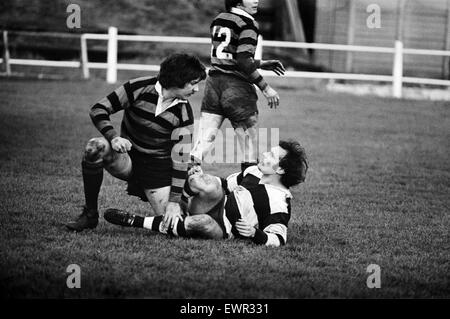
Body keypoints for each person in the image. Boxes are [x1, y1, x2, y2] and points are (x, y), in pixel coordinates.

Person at [66, 53, 207, 232]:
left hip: (157, 170)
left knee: (175, 226)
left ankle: (137, 218)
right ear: (178, 79)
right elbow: (98, 109)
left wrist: (173, 202)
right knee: (95, 147)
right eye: (193, 83)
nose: (196, 89)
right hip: (128, 160)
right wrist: (114, 137)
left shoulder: (184, 113)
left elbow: (180, 160)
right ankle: (90, 215)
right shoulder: (138, 87)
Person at [104, 140, 308, 247]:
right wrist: (200, 177)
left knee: (202, 222)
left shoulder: (279, 201)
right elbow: (225, 184)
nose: (264, 155)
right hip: (216, 203)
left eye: (271, 155)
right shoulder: (255, 171)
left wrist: (255, 233)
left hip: (224, 227)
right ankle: (177, 204)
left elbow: (278, 238)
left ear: (280, 170)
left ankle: (136, 221)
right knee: (206, 182)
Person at [190, 0, 286, 172]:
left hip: (213, 85)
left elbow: (230, 56)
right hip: (236, 89)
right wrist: (265, 87)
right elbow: (242, 60)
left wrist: (261, 63)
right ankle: (248, 191)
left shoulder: (219, 18)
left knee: (202, 142)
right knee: (248, 146)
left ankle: (181, 184)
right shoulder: (248, 23)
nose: (256, 0)